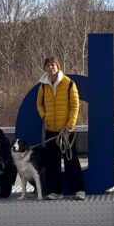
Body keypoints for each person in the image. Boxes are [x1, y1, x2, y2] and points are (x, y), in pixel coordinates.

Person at [37, 56, 84, 200]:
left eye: (53, 65)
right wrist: (45, 117)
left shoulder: (69, 83)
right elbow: (39, 104)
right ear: (45, 68)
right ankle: (55, 191)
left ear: (58, 67)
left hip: (66, 131)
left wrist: (70, 125)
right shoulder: (43, 86)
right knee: (52, 162)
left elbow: (75, 105)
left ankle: (79, 190)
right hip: (51, 130)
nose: (50, 68)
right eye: (48, 65)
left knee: (72, 161)